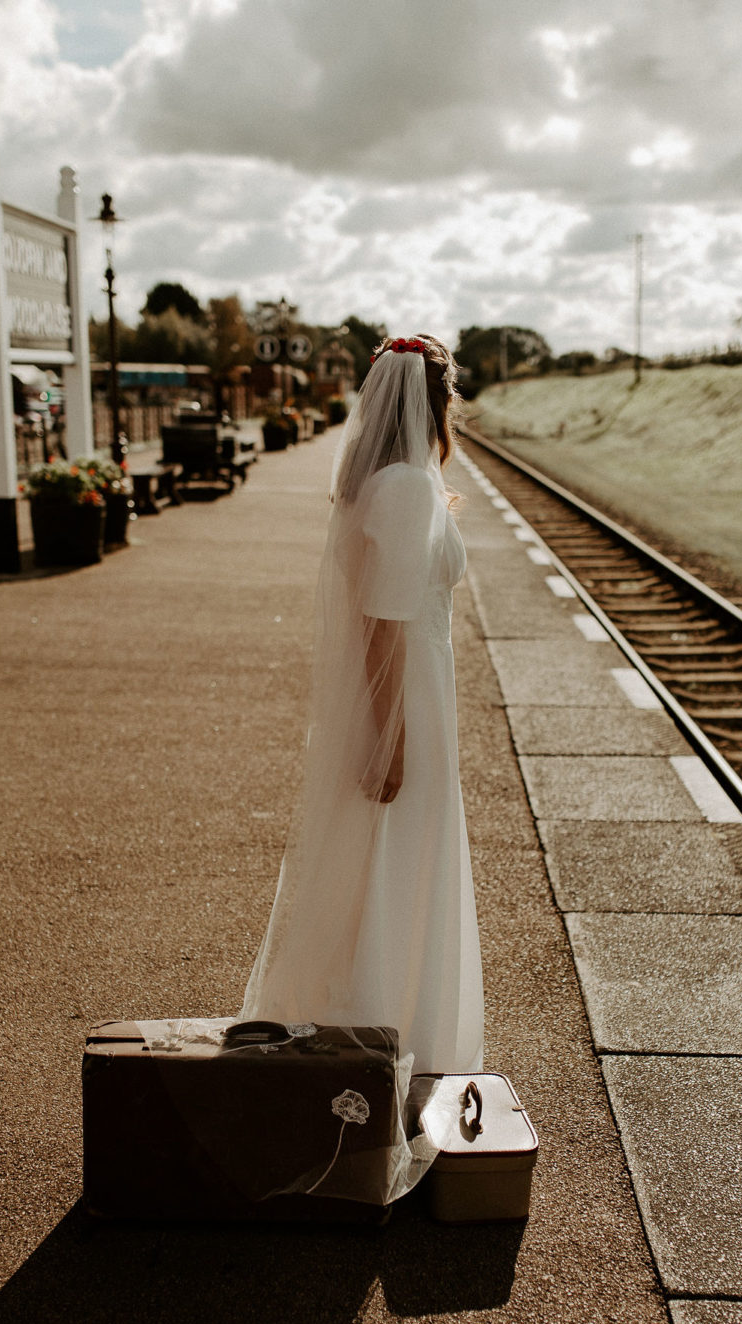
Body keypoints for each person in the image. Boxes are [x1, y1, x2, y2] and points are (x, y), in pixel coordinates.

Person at [239, 334, 484, 1077]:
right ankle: (384, 1032)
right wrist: (394, 736)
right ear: (435, 403)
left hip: (408, 697)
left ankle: (377, 1027)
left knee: (385, 863)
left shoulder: (382, 482)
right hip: (408, 701)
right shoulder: (407, 486)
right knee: (396, 863)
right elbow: (384, 625)